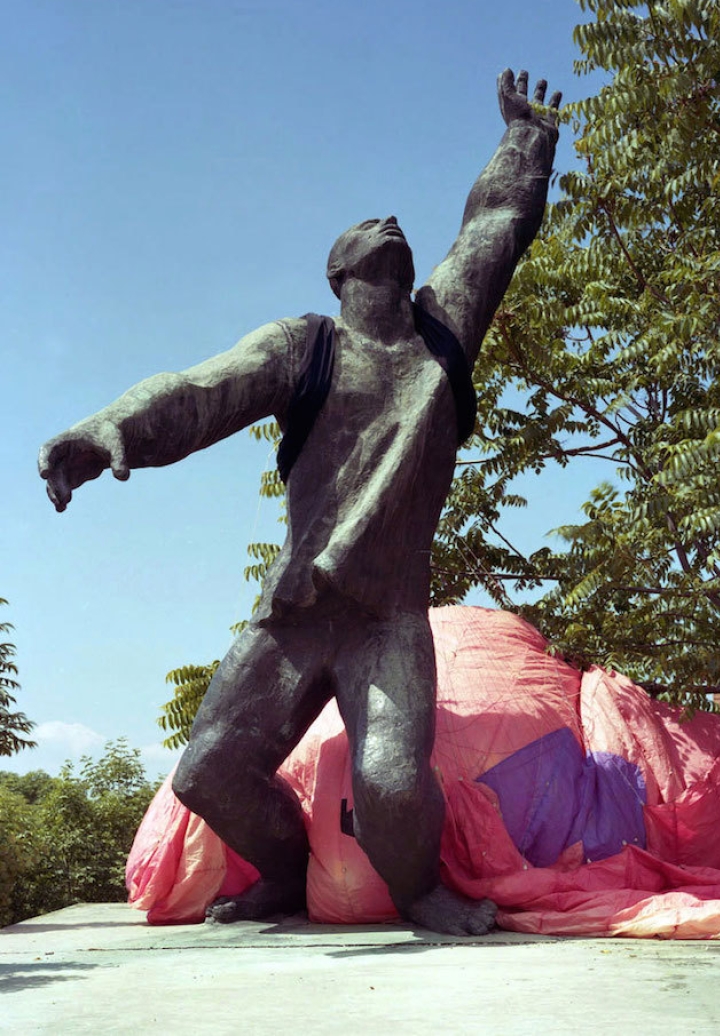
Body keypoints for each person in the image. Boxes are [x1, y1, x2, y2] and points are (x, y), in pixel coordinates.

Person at [39, 70, 560, 935]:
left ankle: (421, 890)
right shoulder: (304, 346)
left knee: (392, 783)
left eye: (395, 226)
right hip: (295, 615)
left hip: (386, 621)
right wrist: (107, 433)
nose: (389, 224)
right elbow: (199, 391)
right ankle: (285, 872)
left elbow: (493, 229)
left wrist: (526, 138)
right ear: (340, 269)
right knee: (208, 773)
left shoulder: (441, 336)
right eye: (366, 229)